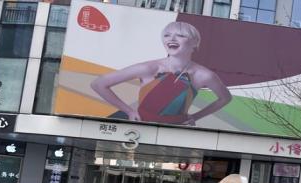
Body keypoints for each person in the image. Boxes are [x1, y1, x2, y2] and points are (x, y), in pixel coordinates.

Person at [91, 21, 232, 126]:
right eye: (167, 35)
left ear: (195, 42)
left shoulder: (204, 75)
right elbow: (98, 84)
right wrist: (129, 111)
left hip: (178, 129)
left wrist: (195, 117)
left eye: (180, 35)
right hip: (141, 126)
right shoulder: (148, 68)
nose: (172, 39)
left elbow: (225, 98)